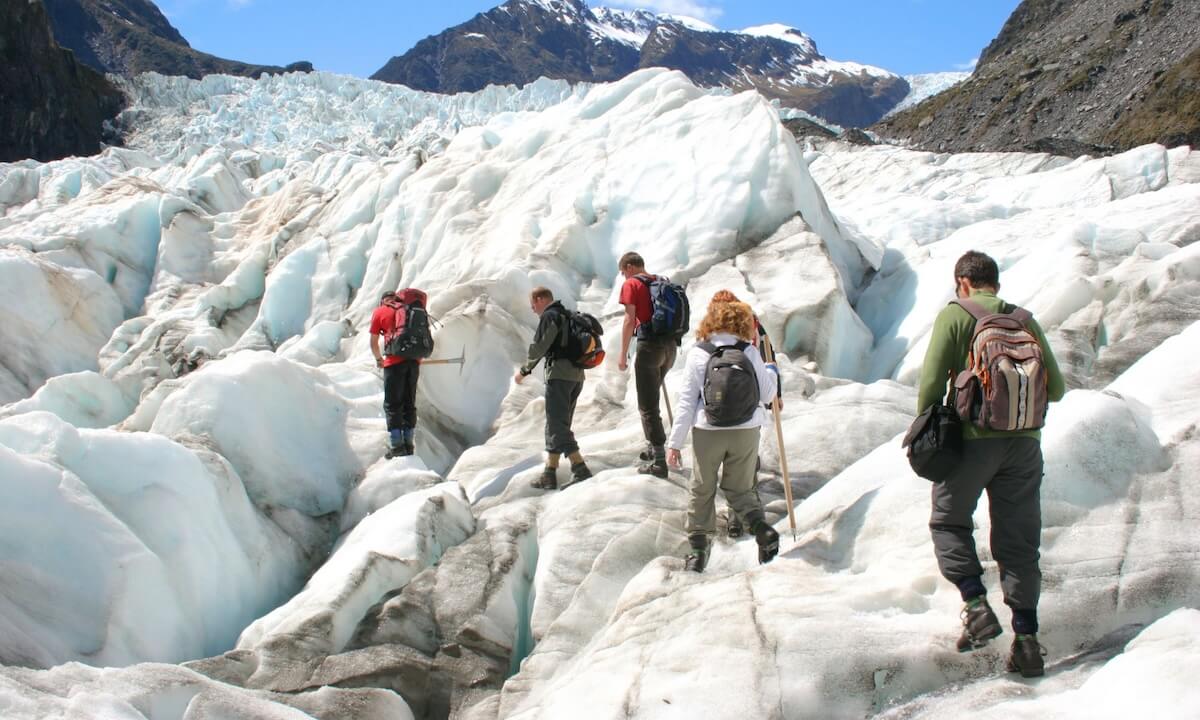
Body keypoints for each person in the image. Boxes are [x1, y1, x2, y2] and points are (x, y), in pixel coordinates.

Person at [918, 250, 1065, 677]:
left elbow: (929, 384)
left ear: (962, 282)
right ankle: (1027, 640)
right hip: (1025, 447)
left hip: (971, 443)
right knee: (1020, 542)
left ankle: (976, 606)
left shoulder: (955, 315)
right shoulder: (1023, 319)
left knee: (949, 523)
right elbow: (1055, 388)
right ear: (995, 284)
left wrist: (928, 428)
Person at [665, 298, 781, 573]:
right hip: (746, 430)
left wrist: (675, 444)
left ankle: (697, 551)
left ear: (710, 322)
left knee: (703, 488)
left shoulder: (699, 353)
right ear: (742, 322)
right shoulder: (750, 352)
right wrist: (771, 371)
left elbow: (687, 402)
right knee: (740, 489)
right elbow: (767, 395)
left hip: (709, 430)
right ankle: (761, 529)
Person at [706, 290, 783, 538]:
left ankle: (735, 515)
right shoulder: (753, 323)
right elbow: (769, 358)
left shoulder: (720, 330)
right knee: (746, 454)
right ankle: (745, 503)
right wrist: (774, 394)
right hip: (750, 401)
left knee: (731, 458)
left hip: (723, 404)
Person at [515, 287, 593, 491]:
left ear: (541, 299)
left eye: (533, 304)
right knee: (558, 423)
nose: (533, 310)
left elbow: (539, 346)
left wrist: (524, 370)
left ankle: (579, 467)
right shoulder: (568, 315)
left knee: (558, 426)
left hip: (560, 375)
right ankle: (550, 472)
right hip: (576, 376)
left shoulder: (551, 316)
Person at [617, 251, 676, 478]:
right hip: (669, 348)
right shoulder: (660, 281)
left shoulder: (632, 284)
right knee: (652, 398)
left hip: (650, 347)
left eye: (623, 272)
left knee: (647, 405)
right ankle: (653, 448)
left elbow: (629, 320)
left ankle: (659, 461)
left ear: (630, 267)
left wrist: (622, 354)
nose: (624, 277)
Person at [370, 289, 427, 458]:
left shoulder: (380, 311)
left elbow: (373, 342)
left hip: (394, 363)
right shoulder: (410, 310)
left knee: (393, 404)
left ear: (383, 301)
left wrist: (379, 359)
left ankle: (397, 446)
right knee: (409, 403)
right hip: (414, 362)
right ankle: (409, 444)